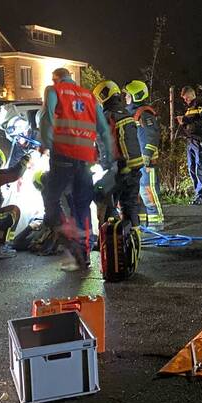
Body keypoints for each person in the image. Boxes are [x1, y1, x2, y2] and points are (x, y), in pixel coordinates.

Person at [39, 67, 114, 272]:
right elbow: (103, 130)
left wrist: (45, 143)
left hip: (62, 156)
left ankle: (67, 234)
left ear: (56, 79)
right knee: (82, 205)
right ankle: (84, 254)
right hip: (85, 161)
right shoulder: (89, 96)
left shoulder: (54, 90)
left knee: (51, 198)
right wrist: (108, 158)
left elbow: (47, 117)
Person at [93, 81, 146, 228]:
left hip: (119, 168)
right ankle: (133, 237)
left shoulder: (106, 116)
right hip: (134, 168)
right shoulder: (127, 113)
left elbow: (103, 144)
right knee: (130, 206)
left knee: (102, 197)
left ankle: (110, 235)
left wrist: (100, 163)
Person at [124, 80, 164, 228]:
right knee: (137, 194)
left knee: (148, 191)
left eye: (128, 95)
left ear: (136, 96)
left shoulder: (144, 114)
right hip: (136, 162)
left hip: (146, 163)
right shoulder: (131, 114)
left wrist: (146, 155)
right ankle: (141, 223)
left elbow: (152, 136)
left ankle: (156, 222)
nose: (125, 98)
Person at [176, 86, 202, 205]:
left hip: (200, 140)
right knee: (191, 168)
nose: (185, 100)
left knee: (199, 168)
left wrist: (186, 120)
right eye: (184, 99)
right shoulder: (189, 109)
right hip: (190, 141)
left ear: (192, 94)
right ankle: (198, 194)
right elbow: (189, 126)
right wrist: (183, 123)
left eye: (186, 98)